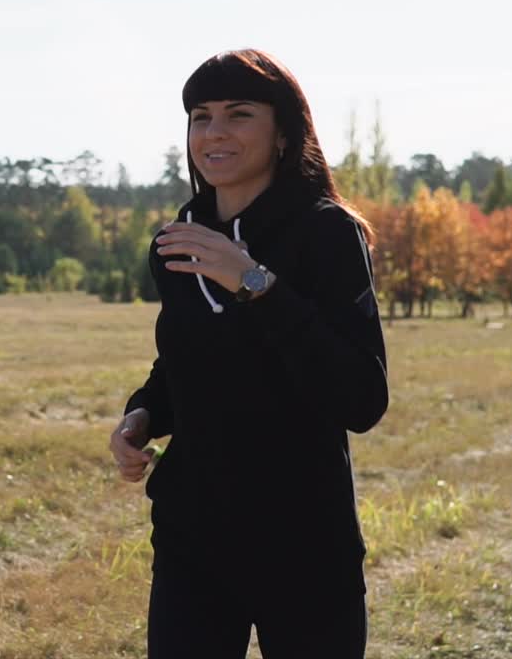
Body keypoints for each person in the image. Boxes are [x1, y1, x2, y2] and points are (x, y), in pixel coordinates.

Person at [109, 49, 389, 658]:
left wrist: (255, 283)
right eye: (201, 117)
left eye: (239, 114)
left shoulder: (327, 233)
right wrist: (143, 415)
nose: (214, 132)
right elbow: (182, 363)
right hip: (191, 542)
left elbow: (362, 397)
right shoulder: (175, 243)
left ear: (284, 133)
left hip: (306, 544)